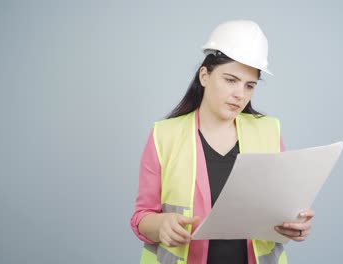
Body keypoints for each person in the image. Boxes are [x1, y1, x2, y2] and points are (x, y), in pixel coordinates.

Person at [130, 20, 315, 264]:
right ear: (205, 76)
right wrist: (161, 224)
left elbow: (278, 211)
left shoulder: (269, 131)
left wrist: (295, 223)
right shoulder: (164, 135)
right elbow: (142, 216)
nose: (240, 94)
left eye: (250, 85)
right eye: (230, 80)